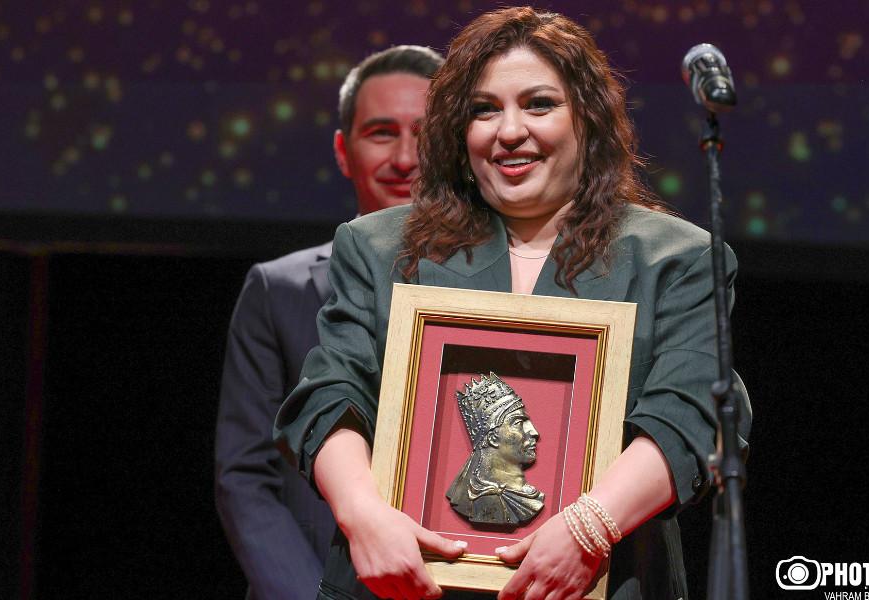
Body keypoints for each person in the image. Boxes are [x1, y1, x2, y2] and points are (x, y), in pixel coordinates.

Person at [275, 7, 751, 600]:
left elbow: (689, 413)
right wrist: (361, 514)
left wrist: (590, 527)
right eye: (484, 109)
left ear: (588, 119)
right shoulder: (379, 248)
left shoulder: (675, 259)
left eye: (539, 104)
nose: (508, 130)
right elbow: (330, 395)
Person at [215, 45, 444, 600]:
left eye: (425, 135)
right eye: (382, 133)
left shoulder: (507, 284)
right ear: (344, 151)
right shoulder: (278, 290)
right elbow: (245, 477)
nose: (405, 158)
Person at [447, 372, 544, 526]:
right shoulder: (485, 498)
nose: (534, 432)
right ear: (493, 438)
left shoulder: (529, 496)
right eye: (518, 422)